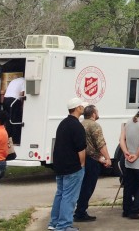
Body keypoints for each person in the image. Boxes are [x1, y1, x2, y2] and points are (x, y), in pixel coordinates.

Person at [48, 98, 87, 231]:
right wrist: (82, 164)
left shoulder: (63, 123)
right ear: (78, 108)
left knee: (60, 194)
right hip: (73, 167)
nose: (83, 108)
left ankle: (54, 222)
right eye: (82, 106)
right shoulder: (77, 125)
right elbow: (81, 148)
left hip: (60, 166)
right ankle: (64, 225)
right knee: (69, 197)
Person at [74, 104, 111, 223]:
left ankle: (78, 210)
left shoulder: (81, 124)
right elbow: (100, 144)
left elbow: (86, 146)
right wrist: (107, 158)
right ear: (94, 114)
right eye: (97, 111)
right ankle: (80, 212)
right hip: (91, 162)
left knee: (82, 186)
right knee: (88, 187)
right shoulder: (94, 126)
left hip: (81, 159)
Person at [3, 76, 26, 145]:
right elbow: (22, 94)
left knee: (8, 120)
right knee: (15, 120)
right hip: (14, 100)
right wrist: (22, 107)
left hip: (6, 99)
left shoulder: (15, 80)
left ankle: (6, 139)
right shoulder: (24, 81)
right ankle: (15, 140)